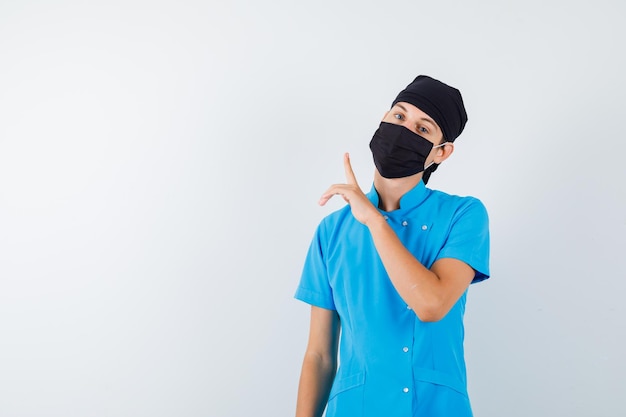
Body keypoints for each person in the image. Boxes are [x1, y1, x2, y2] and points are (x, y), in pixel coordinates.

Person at [294, 75, 490, 417]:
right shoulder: (332, 231)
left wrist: (373, 219)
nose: (404, 130)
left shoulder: (463, 215)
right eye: (399, 116)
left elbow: (432, 304)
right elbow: (320, 356)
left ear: (441, 153)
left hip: (436, 408)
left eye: (423, 129)